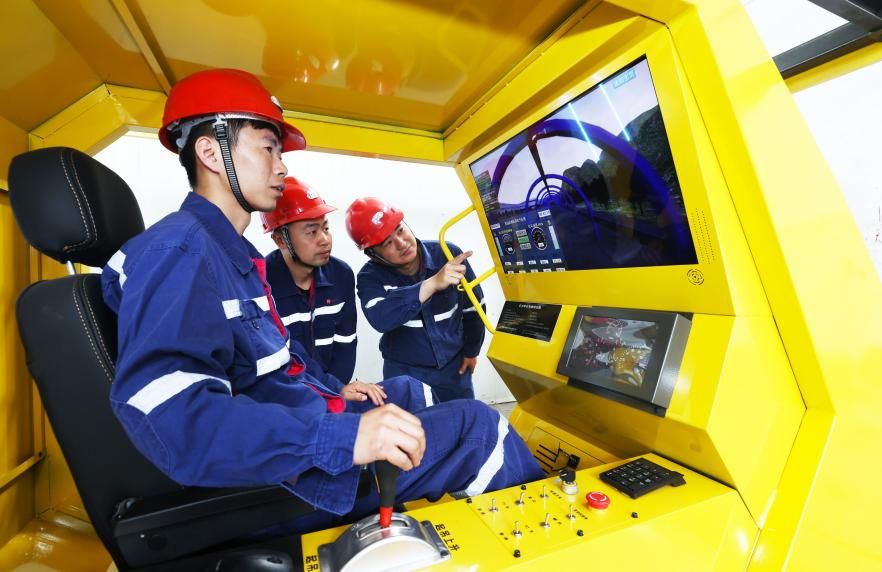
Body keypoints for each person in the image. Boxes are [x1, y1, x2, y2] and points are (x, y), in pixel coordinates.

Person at [101, 68, 543, 528]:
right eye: (268, 148)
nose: (282, 166)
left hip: (295, 421)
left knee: (409, 392)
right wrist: (342, 437)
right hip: (290, 475)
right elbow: (176, 422)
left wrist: (336, 391)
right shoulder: (179, 252)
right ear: (210, 153)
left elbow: (273, 366)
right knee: (482, 429)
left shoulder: (231, 256)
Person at [346, 197, 487, 402]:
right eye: (387, 243)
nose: (402, 243)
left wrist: (472, 351)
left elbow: (474, 309)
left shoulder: (448, 255)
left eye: (400, 230)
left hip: (454, 369)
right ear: (372, 254)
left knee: (465, 419)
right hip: (404, 373)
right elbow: (380, 318)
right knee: (412, 423)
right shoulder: (370, 277)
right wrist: (431, 284)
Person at [261, 177, 377, 402]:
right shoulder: (261, 284)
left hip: (332, 393)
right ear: (280, 240)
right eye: (311, 232)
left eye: (326, 228)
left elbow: (345, 344)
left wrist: (335, 393)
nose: (325, 240)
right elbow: (278, 359)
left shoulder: (341, 275)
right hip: (283, 399)